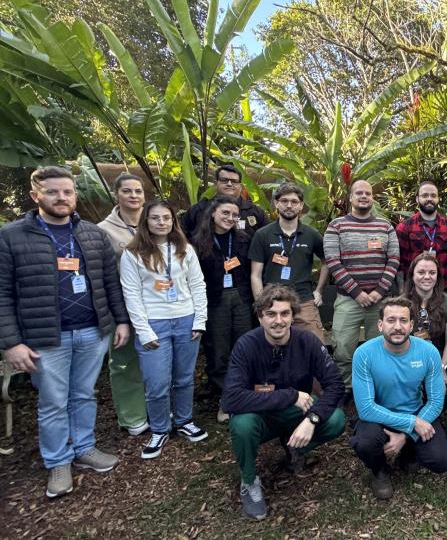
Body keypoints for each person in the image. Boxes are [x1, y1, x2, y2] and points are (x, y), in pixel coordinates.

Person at [0, 166, 130, 498]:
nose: (61, 198)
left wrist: (120, 321)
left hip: (92, 331)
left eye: (67, 192)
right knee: (52, 402)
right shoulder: (10, 237)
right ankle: (58, 461)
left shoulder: (92, 234)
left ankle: (84, 448)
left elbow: (110, 283)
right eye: (52, 192)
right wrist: (10, 342)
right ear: (35, 195)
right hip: (46, 338)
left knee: (84, 394)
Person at [222, 285, 345, 520]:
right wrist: (290, 395)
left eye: (285, 313)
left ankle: (295, 447)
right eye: (271, 314)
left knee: (336, 419)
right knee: (242, 424)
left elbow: (335, 385)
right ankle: (249, 480)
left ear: (292, 316)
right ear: (260, 317)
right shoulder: (246, 345)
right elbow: (231, 399)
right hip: (262, 414)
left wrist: (312, 419)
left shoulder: (307, 341)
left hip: (296, 412)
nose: (278, 321)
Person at [120, 199, 209, 460]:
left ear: (173, 221)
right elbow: (131, 294)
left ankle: (184, 420)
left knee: (184, 378)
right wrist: (143, 330)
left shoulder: (184, 249)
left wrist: (200, 320)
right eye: (155, 218)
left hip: (185, 319)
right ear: (145, 221)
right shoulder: (133, 253)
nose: (161, 222)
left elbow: (197, 285)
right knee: (157, 382)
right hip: (154, 322)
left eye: (166, 218)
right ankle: (160, 428)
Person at [349, 297, 447, 500]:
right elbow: (366, 409)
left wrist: (406, 434)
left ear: (411, 325)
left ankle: (408, 451)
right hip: (379, 415)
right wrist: (412, 423)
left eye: (403, 320)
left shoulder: (428, 352)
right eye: (391, 320)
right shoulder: (364, 354)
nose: (397, 326)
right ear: (380, 325)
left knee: (441, 460)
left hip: (415, 411)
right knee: (365, 443)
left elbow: (436, 401)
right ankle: (379, 471)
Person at [324, 179, 400, 390]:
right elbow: (333, 261)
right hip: (348, 300)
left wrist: (379, 291)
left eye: (368, 193)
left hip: (380, 301)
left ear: (372, 198)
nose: (364, 196)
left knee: (381, 350)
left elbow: (394, 259)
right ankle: (346, 390)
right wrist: (357, 292)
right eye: (359, 193)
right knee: (343, 349)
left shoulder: (385, 226)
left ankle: (376, 390)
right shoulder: (336, 226)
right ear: (350, 198)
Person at [192, 195, 254, 423]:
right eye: (225, 213)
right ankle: (226, 399)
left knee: (244, 347)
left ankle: (245, 395)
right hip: (214, 301)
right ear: (213, 213)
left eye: (235, 215)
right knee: (218, 351)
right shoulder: (198, 242)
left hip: (241, 298)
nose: (230, 218)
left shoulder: (243, 239)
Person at [97, 172, 149, 436]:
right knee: (125, 362)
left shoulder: (155, 221)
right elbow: (103, 275)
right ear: (116, 194)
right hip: (123, 307)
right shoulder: (103, 230)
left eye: (138, 191)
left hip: (157, 304)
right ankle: (133, 415)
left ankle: (156, 407)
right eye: (127, 191)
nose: (133, 196)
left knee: (155, 359)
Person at [249, 183, 328, 341]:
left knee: (314, 346)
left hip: (304, 301)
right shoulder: (262, 235)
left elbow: (327, 261)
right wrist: (261, 304)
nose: (289, 205)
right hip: (272, 303)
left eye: (294, 201)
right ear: (276, 203)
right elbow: (255, 275)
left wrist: (319, 290)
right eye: (284, 201)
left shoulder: (311, 234)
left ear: (301, 206)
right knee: (273, 347)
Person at [401, 253, 447, 387]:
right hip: (406, 360)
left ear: (437, 276)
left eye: (432, 273)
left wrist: (442, 369)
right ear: (412, 275)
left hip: (438, 359)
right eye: (421, 272)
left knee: (441, 390)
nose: (427, 277)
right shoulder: (401, 303)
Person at [395, 180, 447, 291]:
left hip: (444, 290)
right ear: (417, 199)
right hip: (413, 291)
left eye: (433, 195)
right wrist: (402, 292)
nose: (429, 198)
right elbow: (400, 264)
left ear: (438, 199)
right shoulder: (404, 227)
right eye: (425, 195)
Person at [181, 165, 267, 240]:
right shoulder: (199, 209)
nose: (229, 184)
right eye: (224, 180)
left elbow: (266, 239)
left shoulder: (255, 212)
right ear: (216, 184)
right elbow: (182, 236)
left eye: (234, 181)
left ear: (240, 186)